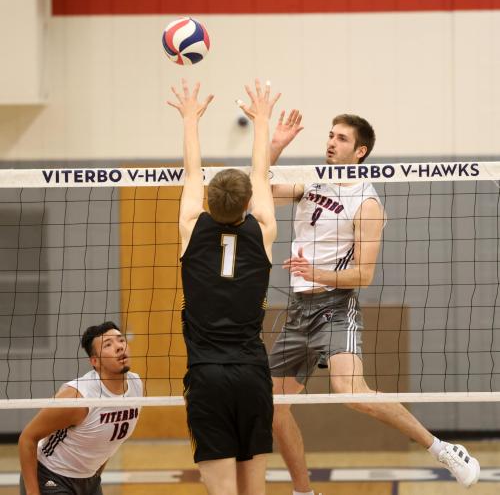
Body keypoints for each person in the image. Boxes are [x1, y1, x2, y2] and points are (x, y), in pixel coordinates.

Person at [268, 111, 481, 493]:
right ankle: (304, 491)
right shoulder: (310, 181)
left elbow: (363, 276)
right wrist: (275, 147)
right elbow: (258, 191)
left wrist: (315, 272)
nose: (331, 143)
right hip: (298, 309)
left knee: (350, 391)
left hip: (335, 306)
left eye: (342, 139)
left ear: (360, 150)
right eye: (331, 135)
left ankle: (443, 449)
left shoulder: (367, 203)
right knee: (272, 406)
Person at [167, 78, 279, 495]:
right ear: (248, 203)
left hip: (208, 379)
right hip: (253, 375)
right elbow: (260, 173)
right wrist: (262, 120)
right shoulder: (264, 230)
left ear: (208, 202)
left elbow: (192, 171)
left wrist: (190, 119)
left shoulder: (190, 227)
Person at [19, 322, 142, 495]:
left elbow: (107, 441)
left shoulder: (136, 385)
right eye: (108, 344)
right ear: (95, 361)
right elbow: (27, 439)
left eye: (121, 340)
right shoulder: (78, 398)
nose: (119, 347)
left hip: (89, 479)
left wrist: (93, 477)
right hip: (50, 476)